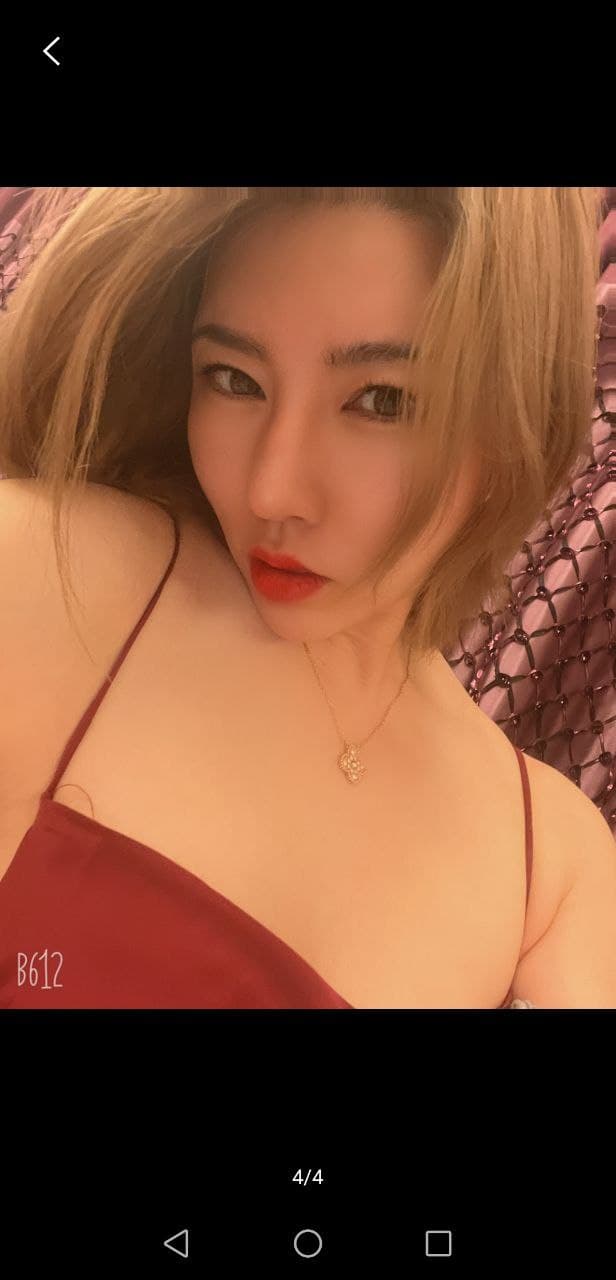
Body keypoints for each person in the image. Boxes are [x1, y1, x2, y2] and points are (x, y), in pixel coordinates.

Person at [0, 186, 614, 1009]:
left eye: (384, 400)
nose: (272, 489)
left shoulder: (551, 871)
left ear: (514, 421)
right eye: (233, 379)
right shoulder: (50, 570)